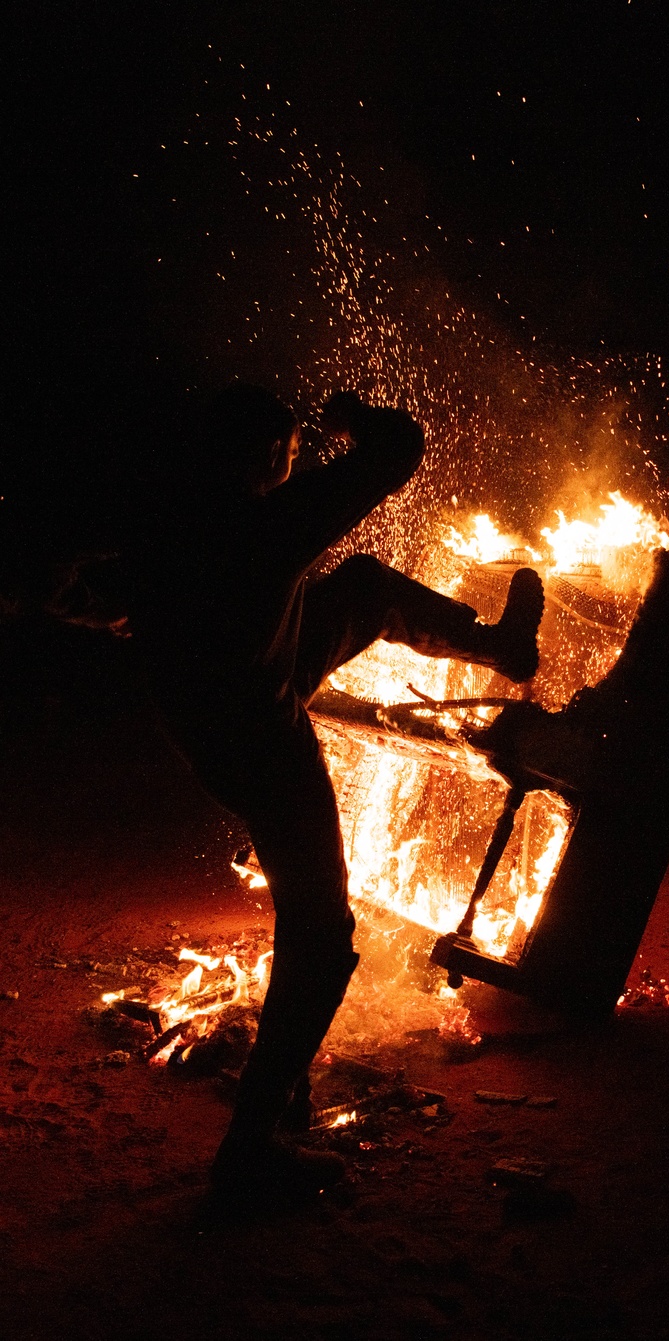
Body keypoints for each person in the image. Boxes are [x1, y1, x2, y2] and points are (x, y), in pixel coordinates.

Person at [126, 385, 543, 1204]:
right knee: (321, 931)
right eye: (286, 457)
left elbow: (97, 597)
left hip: (224, 695)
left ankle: (500, 648)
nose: (294, 470)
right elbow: (399, 450)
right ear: (256, 461)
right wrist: (351, 421)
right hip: (257, 735)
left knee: (360, 588)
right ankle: (253, 1147)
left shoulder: (171, 527)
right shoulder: (260, 527)